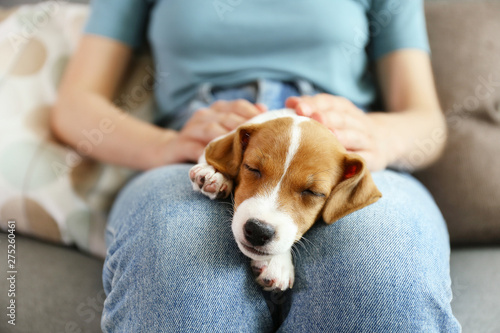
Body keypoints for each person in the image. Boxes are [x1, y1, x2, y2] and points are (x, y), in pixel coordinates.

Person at [50, 0, 461, 331]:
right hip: (203, 154)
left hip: (342, 161)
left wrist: (378, 137)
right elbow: (74, 106)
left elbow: (427, 122)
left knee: (380, 268)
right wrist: (165, 145)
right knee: (176, 255)